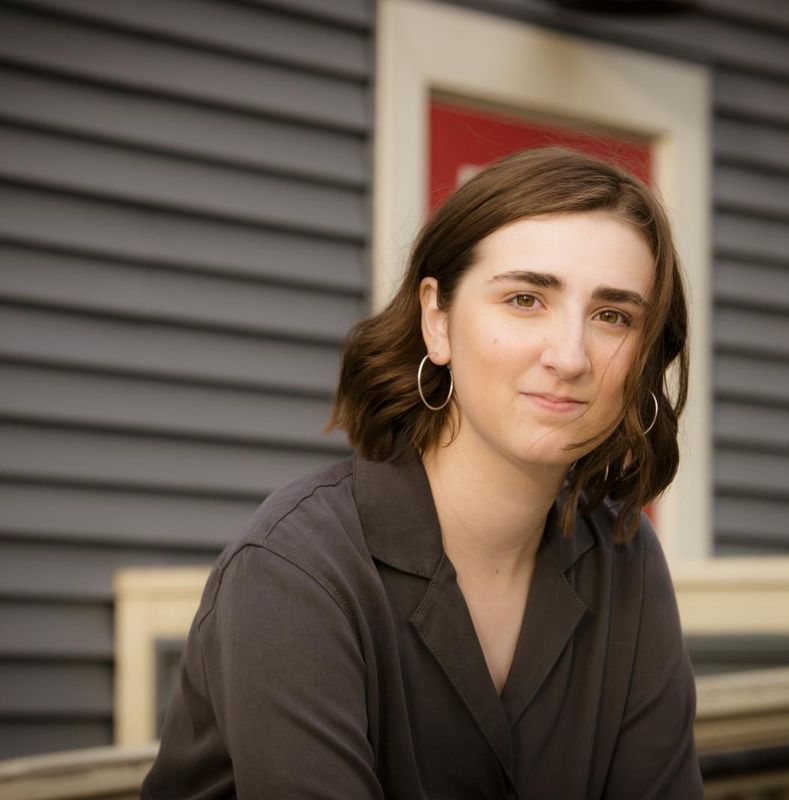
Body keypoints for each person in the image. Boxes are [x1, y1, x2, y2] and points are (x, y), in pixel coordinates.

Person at [142, 146, 702, 799]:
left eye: (613, 316)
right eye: (525, 299)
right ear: (437, 320)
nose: (571, 355)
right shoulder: (293, 572)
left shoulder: (624, 563)